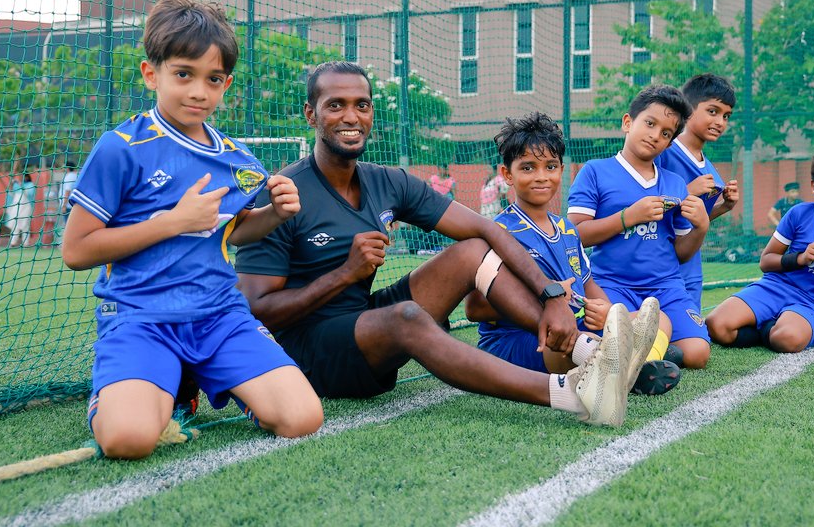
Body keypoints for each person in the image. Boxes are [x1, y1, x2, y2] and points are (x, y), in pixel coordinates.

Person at [235, 61, 648, 428]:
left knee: (471, 250)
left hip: (364, 324)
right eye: (335, 105)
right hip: (311, 351)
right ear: (312, 114)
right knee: (408, 317)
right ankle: (572, 393)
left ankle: (592, 352)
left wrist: (553, 294)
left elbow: (489, 231)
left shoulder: (386, 180)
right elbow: (260, 312)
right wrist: (345, 273)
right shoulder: (282, 195)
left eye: (362, 104)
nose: (351, 116)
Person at [61, 0, 324, 460]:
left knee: (303, 419)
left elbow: (232, 231)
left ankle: (216, 379)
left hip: (219, 316)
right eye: (184, 74)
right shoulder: (121, 147)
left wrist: (274, 216)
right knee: (129, 440)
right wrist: (171, 223)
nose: (199, 91)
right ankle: (143, 390)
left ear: (226, 84)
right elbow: (77, 251)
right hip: (141, 318)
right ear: (151, 73)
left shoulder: (238, 160)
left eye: (214, 79)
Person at [464, 111, 679, 395]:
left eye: (550, 166)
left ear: (562, 170)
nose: (541, 177)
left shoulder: (566, 229)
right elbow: (474, 309)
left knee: (657, 317)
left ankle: (641, 363)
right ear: (507, 175)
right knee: (574, 341)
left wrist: (608, 312)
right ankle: (637, 367)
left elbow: (588, 285)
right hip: (520, 339)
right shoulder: (497, 231)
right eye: (528, 168)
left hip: (572, 327)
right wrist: (545, 296)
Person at [567, 85, 713, 370]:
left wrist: (701, 228)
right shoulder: (595, 171)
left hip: (665, 286)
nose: (655, 135)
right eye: (650, 123)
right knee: (602, 338)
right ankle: (648, 354)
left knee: (697, 353)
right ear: (627, 122)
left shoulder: (675, 183)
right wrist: (628, 217)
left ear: (669, 143)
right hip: (611, 285)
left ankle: (645, 355)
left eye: (666, 133)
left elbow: (682, 253)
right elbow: (575, 236)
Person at [706, 144, 814, 354]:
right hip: (774, 287)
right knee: (715, 326)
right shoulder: (798, 213)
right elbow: (766, 261)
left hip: (812, 303)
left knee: (787, 339)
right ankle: (775, 326)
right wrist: (800, 258)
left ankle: (802, 329)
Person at [657, 73, 740, 306]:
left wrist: (724, 207)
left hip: (690, 270)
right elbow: (643, 202)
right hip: (657, 269)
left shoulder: (712, 172)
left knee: (692, 340)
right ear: (689, 110)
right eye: (712, 111)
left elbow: (692, 221)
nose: (720, 122)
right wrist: (686, 191)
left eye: (726, 116)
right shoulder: (664, 150)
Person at [5, 170, 37, 247]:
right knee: (15, 225)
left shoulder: (31, 185)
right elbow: (11, 191)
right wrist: (11, 180)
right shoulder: (17, 185)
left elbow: (29, 194)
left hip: (26, 207)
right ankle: (13, 242)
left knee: (25, 225)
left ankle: (25, 243)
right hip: (17, 207)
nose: (22, 178)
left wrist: (19, 184)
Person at [54, 158, 80, 246]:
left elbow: (67, 191)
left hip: (68, 205)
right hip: (72, 205)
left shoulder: (70, 176)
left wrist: (64, 205)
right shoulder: (74, 175)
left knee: (68, 225)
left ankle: (66, 244)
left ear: (67, 168)